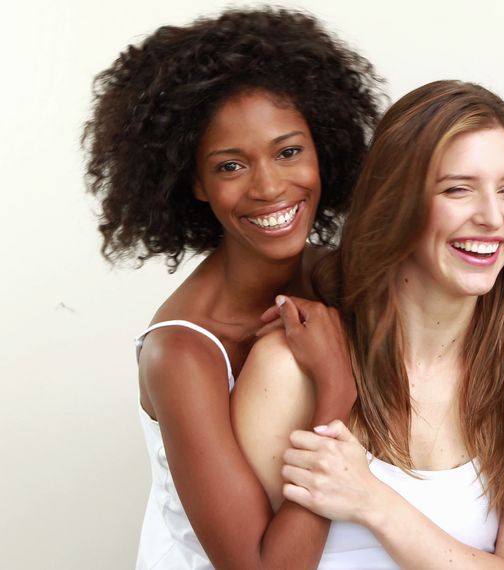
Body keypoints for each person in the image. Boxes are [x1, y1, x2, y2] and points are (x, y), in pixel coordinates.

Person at [82, 8, 381, 568]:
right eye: (230, 166)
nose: (269, 187)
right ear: (192, 181)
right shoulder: (182, 353)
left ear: (324, 148)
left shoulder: (341, 278)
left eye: (289, 151)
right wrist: (334, 390)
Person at [232, 80, 504, 569]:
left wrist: (373, 500)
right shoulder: (288, 370)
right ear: (396, 201)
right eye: (457, 189)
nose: (493, 217)